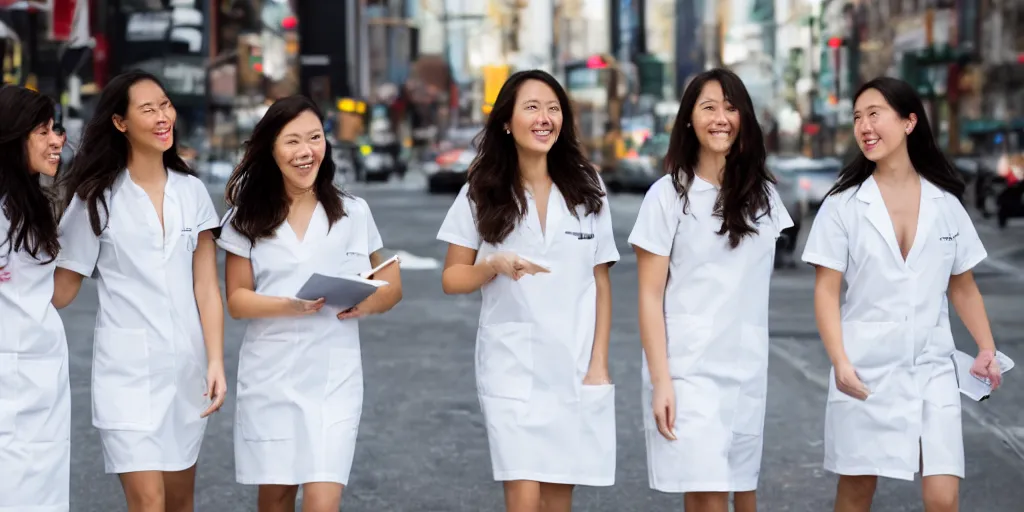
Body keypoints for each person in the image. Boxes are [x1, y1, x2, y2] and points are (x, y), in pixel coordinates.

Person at [801, 76, 1003, 512]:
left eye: (875, 114)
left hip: (933, 367)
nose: (864, 126)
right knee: (857, 494)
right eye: (857, 117)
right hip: (865, 370)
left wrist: (986, 348)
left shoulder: (945, 203)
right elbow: (825, 290)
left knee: (943, 498)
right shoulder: (844, 205)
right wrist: (839, 361)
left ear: (910, 122)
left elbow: (962, 284)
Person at [436, 69, 619, 511]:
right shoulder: (481, 191)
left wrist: (598, 364)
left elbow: (600, 282)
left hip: (573, 366)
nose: (544, 118)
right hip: (511, 365)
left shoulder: (588, 189)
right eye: (532, 107)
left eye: (553, 108)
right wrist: (492, 266)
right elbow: (451, 277)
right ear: (506, 121)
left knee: (558, 499)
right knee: (522, 497)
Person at [51, 70, 227, 512]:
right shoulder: (95, 198)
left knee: (180, 502)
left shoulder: (192, 192)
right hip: (125, 376)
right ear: (120, 122)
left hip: (187, 370)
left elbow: (206, 287)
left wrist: (216, 360)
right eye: (148, 109)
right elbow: (62, 289)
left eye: (165, 105)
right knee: (148, 503)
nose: (162, 116)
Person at [217, 95, 403, 512]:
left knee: (323, 499)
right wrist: (290, 305)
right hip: (271, 376)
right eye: (292, 141)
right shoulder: (245, 218)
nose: (306, 151)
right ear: (270, 149)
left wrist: (369, 301)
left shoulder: (353, 212)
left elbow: (390, 282)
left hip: (333, 377)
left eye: (315, 138)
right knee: (277, 496)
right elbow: (237, 300)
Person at [629, 68, 792, 512]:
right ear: (688, 120)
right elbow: (647, 296)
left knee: (739, 488)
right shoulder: (667, 196)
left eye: (731, 107)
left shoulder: (764, 197)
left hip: (745, 368)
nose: (721, 118)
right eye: (709, 107)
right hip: (688, 372)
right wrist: (661, 380)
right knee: (708, 493)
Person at [0, 85, 70, 511]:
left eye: (55, 129)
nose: (56, 140)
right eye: (42, 131)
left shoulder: (29, 204)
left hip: (39, 375)